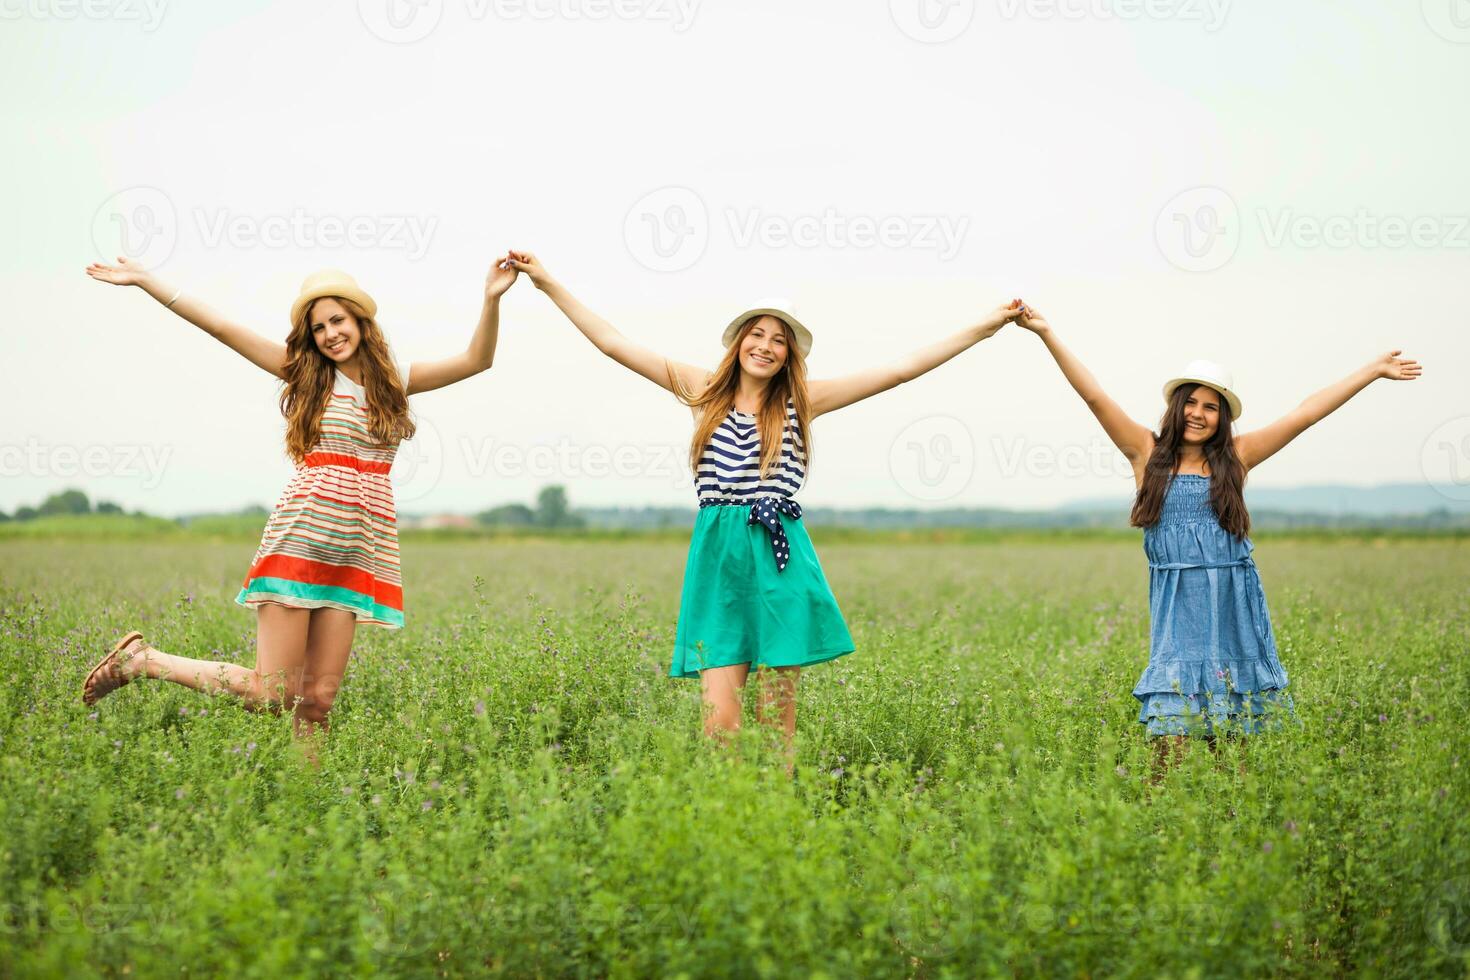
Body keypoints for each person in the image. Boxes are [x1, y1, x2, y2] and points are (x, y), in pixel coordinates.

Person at [508, 249, 1024, 762]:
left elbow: (901, 370)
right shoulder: (703, 391)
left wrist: (986, 326)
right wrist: (545, 281)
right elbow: (612, 343)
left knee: (777, 719)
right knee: (719, 726)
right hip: (718, 558)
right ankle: (732, 823)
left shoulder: (802, 402)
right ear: (738, 342)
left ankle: (779, 819)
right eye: (757, 334)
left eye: (779, 340)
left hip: (778, 557)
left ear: (789, 355)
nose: (766, 346)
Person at [80, 258, 518, 755]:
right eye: (318, 328)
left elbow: (477, 359)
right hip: (303, 540)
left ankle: (308, 812)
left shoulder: (394, 379)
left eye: (338, 320)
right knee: (274, 693)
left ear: (359, 320)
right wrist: (147, 281)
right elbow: (222, 326)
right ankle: (143, 662)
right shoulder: (308, 376)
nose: (330, 334)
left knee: (316, 704)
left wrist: (491, 298)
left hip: (357, 553)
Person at [1014, 303, 1421, 775]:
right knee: (1171, 737)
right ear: (1175, 405)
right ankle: (1163, 827)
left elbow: (1306, 413)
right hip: (1177, 607)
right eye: (1191, 401)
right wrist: (1046, 334)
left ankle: (1229, 824)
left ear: (1223, 417)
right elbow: (1094, 396)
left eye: (1212, 406)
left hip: (1233, 601)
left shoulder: (1238, 457)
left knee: (1234, 740)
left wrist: (1371, 370)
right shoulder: (1146, 453)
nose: (1198, 413)